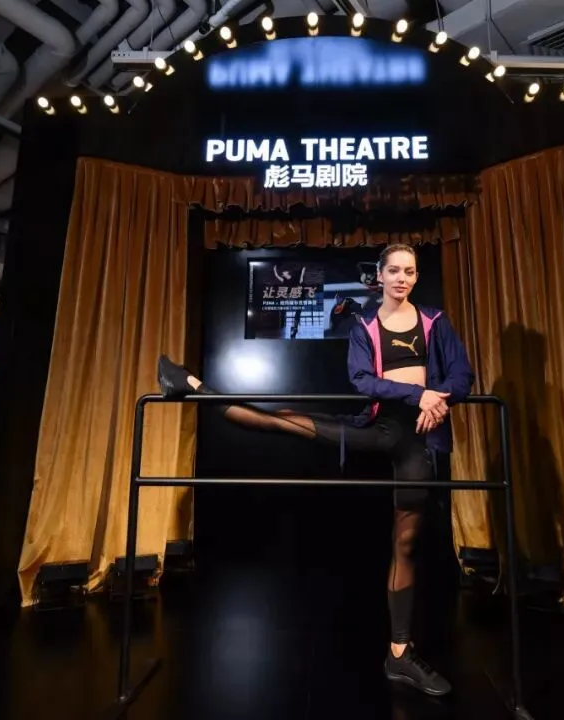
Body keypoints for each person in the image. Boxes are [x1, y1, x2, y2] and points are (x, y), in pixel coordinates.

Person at [157, 243, 475, 697]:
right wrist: (417, 395)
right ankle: (190, 385)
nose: (402, 278)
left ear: (416, 277)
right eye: (394, 271)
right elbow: (362, 380)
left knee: (405, 543)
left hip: (419, 440)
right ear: (379, 276)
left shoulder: (435, 322)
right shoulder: (365, 326)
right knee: (283, 420)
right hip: (376, 429)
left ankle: (400, 654)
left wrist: (438, 400)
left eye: (409, 271)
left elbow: (463, 377)